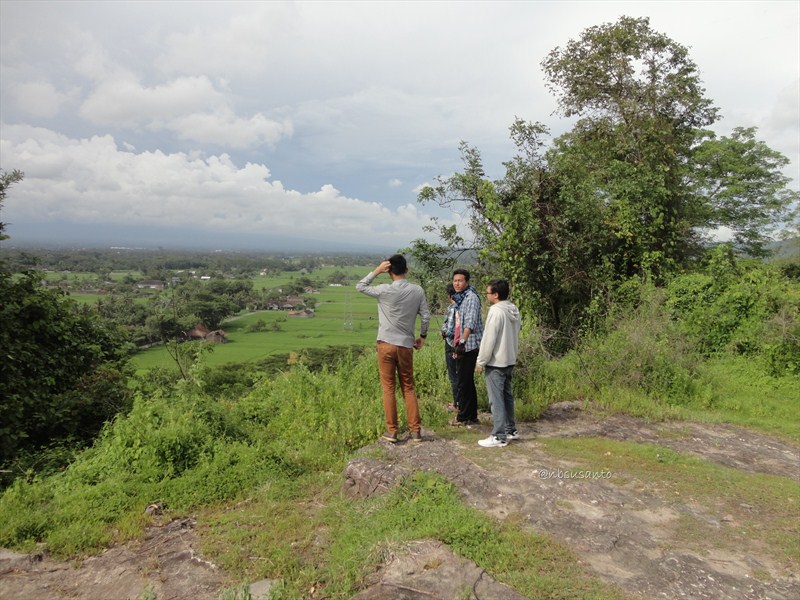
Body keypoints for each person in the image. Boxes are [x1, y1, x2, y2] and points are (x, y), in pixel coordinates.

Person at [356, 254, 431, 443]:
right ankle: (415, 431)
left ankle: (392, 431)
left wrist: (376, 271)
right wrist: (422, 336)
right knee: (408, 387)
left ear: (389, 271)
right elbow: (426, 316)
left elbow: (360, 286)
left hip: (385, 344)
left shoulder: (384, 290)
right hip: (405, 345)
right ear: (407, 270)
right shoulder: (417, 290)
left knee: (388, 388)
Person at [475, 279, 521, 448]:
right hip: (510, 359)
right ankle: (510, 430)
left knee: (496, 400)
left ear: (495, 295)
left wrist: (481, 361)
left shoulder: (496, 311)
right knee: (507, 397)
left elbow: (489, 339)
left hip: (496, 362)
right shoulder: (513, 309)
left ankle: (499, 436)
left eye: (488, 293)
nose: (487, 296)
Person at [449, 269, 483, 427]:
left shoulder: (471, 298)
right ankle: (471, 416)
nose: (457, 283)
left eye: (460, 281)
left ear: (467, 282)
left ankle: (463, 417)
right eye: (455, 280)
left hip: (469, 345)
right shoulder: (460, 298)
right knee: (467, 382)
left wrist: (462, 343)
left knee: (463, 382)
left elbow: (470, 322)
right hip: (463, 344)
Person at [440, 284, 459, 412]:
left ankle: (456, 404)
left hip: (451, 344)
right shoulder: (462, 307)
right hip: (460, 344)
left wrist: (444, 332)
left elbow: (450, 330)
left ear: (449, 296)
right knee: (460, 374)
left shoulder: (452, 308)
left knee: (453, 375)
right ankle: (459, 402)